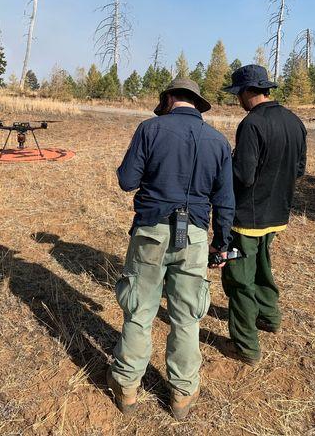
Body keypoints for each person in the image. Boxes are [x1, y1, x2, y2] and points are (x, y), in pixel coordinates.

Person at [107, 78, 235, 419]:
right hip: (193, 237)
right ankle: (181, 394)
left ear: (169, 98)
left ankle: (127, 388)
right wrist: (221, 245)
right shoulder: (219, 141)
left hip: (150, 232)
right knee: (187, 318)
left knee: (140, 310)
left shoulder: (150, 129)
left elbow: (126, 181)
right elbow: (225, 202)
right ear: (196, 104)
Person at [222, 64, 307, 366]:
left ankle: (245, 346)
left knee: (239, 279)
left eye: (237, 95)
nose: (238, 101)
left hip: (247, 217)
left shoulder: (252, 124)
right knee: (262, 264)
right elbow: (299, 170)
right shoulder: (295, 122)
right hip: (277, 213)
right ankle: (269, 317)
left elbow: (243, 175)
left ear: (248, 92)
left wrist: (224, 167)